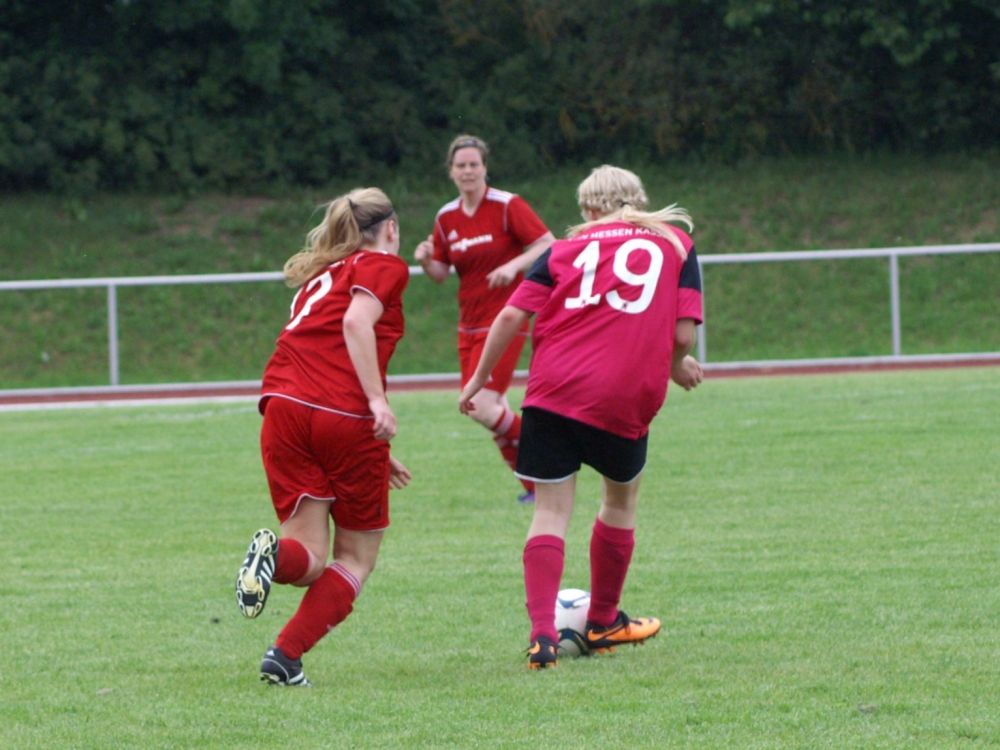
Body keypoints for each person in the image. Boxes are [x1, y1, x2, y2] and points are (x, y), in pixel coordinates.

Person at [458, 165, 705, 668]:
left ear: (589, 209)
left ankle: (542, 637)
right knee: (619, 502)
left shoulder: (564, 248)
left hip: (551, 393)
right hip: (622, 395)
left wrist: (480, 378)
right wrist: (676, 365)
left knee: (549, 512)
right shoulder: (675, 243)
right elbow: (682, 337)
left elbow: (510, 316)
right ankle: (604, 620)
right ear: (638, 200)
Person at [235, 187, 412, 686]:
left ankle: (274, 566)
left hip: (282, 410)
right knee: (355, 558)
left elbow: (324, 350)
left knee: (309, 560)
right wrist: (376, 405)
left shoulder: (319, 277)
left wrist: (380, 449)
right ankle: (285, 652)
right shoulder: (381, 264)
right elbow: (357, 325)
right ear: (390, 229)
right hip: (342, 415)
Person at [414, 135, 555, 503]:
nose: (468, 171)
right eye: (460, 165)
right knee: (491, 409)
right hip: (469, 325)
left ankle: (552, 456)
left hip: (506, 319)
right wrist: (427, 259)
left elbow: (548, 243)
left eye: (474, 164)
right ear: (451, 171)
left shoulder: (507, 205)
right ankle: (533, 487)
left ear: (485, 168)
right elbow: (441, 273)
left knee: (481, 406)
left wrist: (513, 266)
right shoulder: (446, 217)